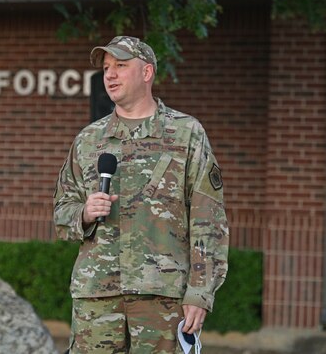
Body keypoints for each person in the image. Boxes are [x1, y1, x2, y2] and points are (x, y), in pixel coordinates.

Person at [53, 35, 229, 353]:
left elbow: (208, 219)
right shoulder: (88, 140)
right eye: (107, 67)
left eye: (121, 65)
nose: (110, 74)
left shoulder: (186, 134)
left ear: (146, 73)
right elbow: (62, 213)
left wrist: (200, 292)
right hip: (96, 299)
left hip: (160, 298)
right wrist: (84, 212)